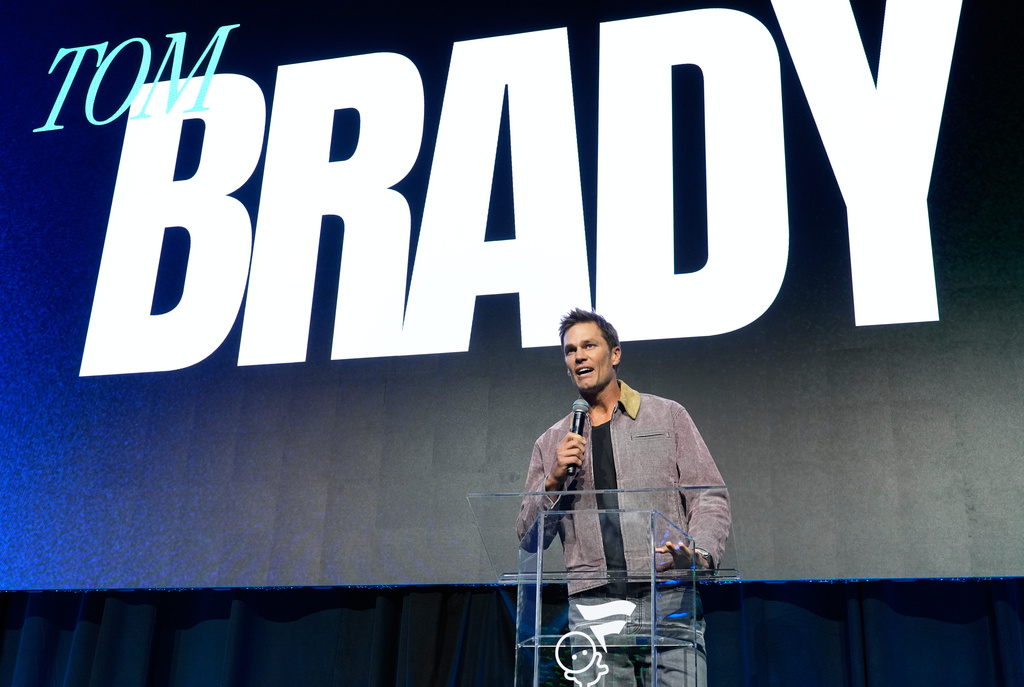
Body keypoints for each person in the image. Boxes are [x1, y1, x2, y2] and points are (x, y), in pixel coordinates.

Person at [516, 309, 730, 687]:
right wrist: (552, 481)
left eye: (588, 346)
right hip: (593, 606)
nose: (578, 356)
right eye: (570, 350)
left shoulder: (666, 416)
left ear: (614, 354)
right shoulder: (552, 443)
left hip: (668, 597)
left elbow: (708, 496)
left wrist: (700, 553)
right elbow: (529, 538)